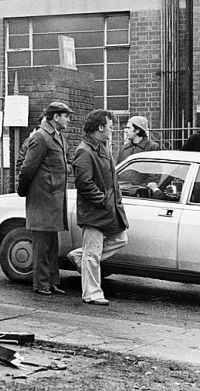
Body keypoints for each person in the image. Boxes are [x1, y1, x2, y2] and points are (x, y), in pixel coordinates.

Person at [66, 110, 129, 306]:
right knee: (92, 253)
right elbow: (83, 183)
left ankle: (79, 256)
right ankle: (91, 293)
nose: (112, 129)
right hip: (95, 210)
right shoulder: (85, 151)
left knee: (120, 238)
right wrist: (102, 200)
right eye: (110, 126)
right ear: (100, 127)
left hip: (106, 208)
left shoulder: (100, 146)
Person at [17, 102, 72, 296]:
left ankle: (51, 281)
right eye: (65, 116)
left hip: (53, 198)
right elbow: (27, 168)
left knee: (52, 243)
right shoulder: (41, 137)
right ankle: (41, 283)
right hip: (43, 198)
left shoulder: (57, 136)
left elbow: (64, 163)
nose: (68, 120)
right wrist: (23, 190)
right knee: (42, 244)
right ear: (55, 117)